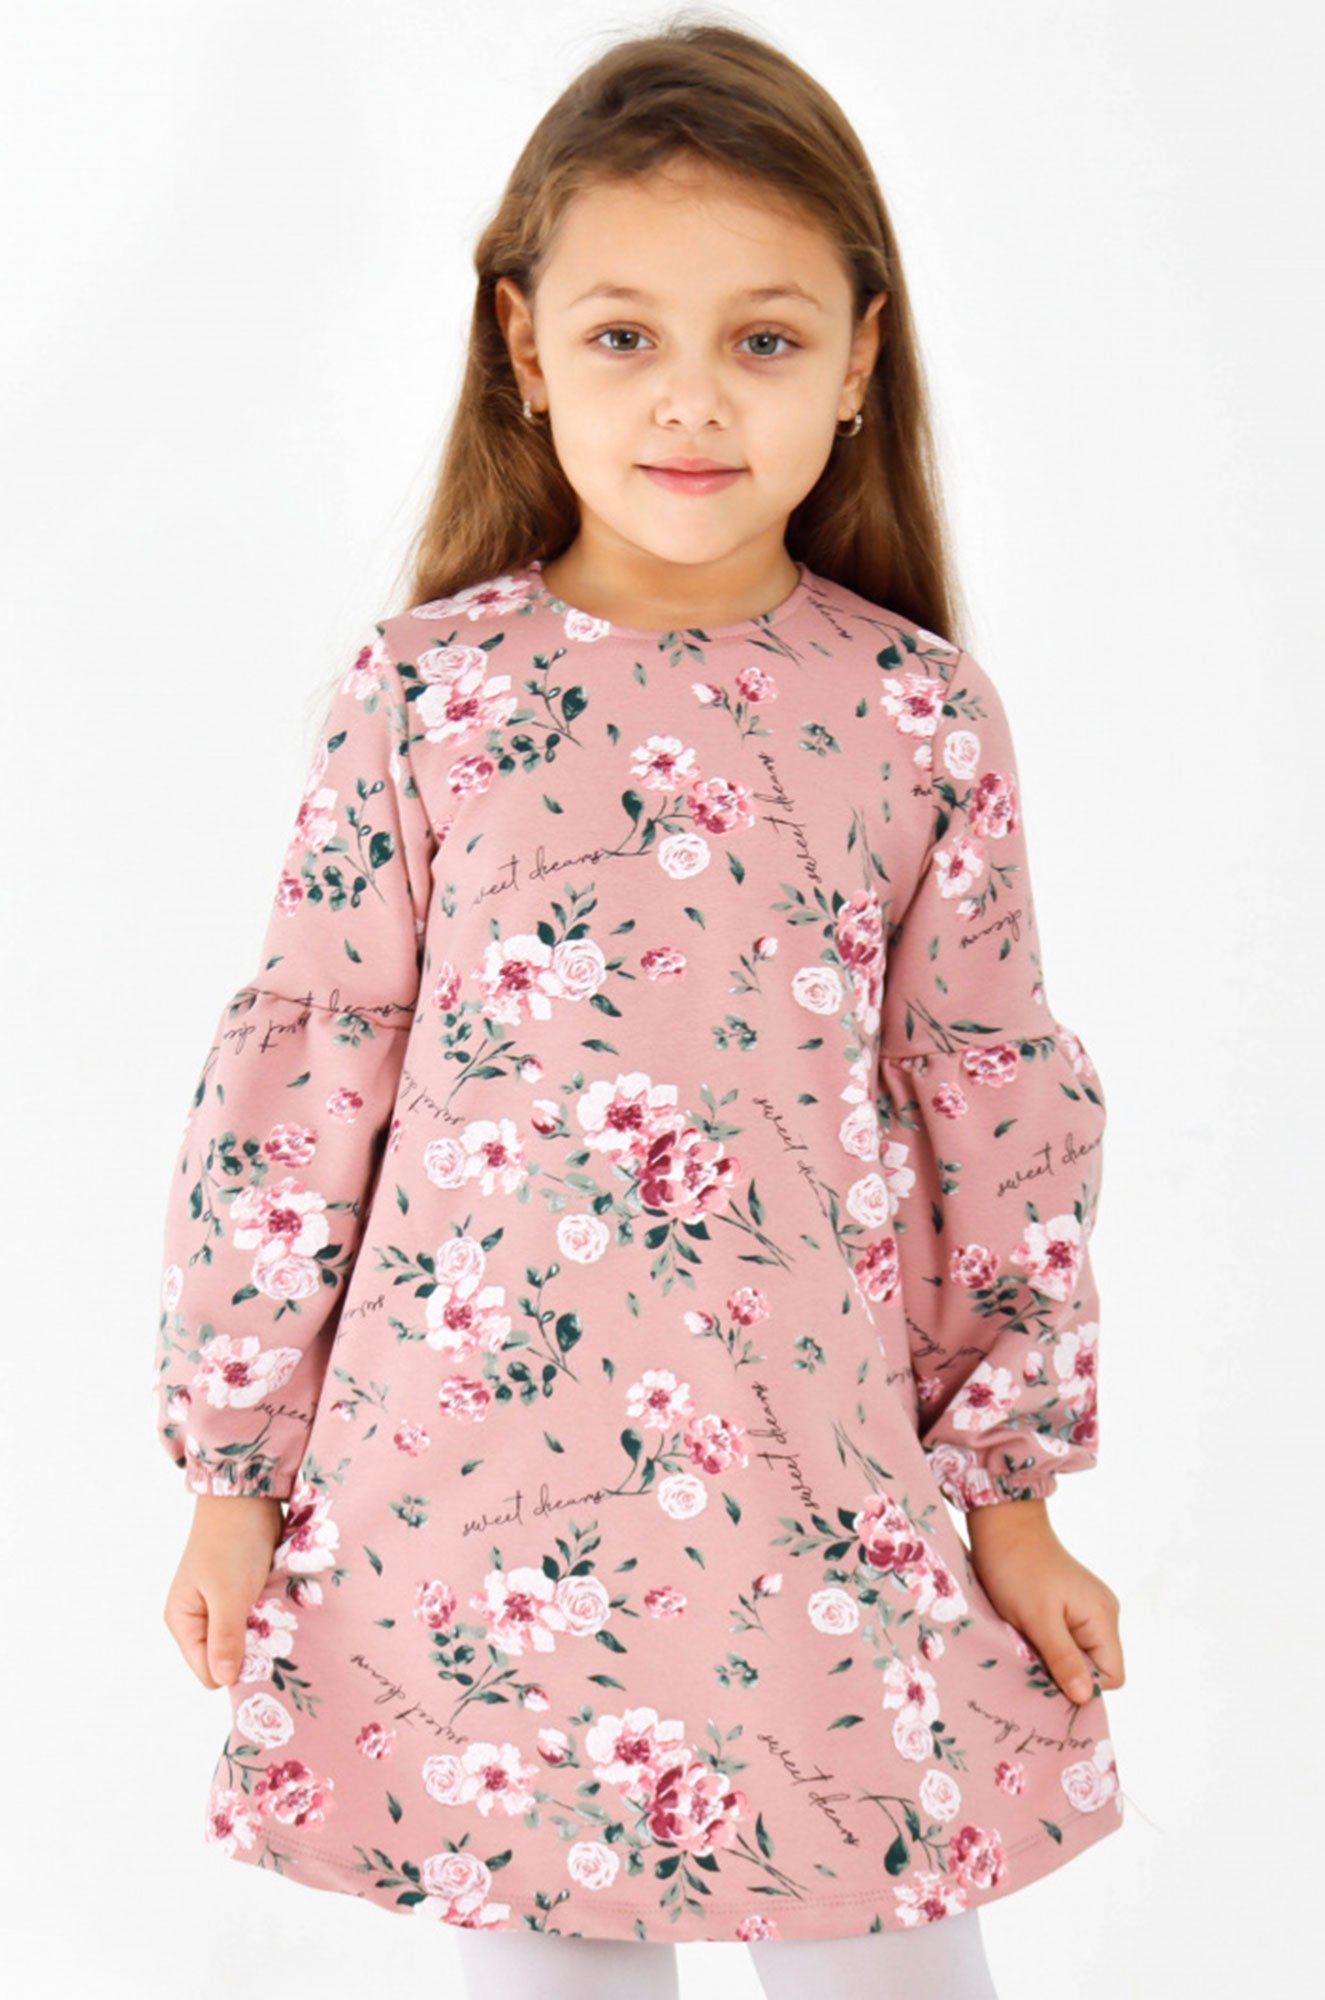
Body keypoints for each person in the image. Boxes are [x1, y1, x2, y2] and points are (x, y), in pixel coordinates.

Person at [155, 16, 1127, 1998]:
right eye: (623, 335)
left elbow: (990, 1103)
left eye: (762, 338)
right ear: (524, 347)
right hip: (474, 1508)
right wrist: (232, 1477)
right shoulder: (426, 694)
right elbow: (308, 1077)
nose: (692, 396)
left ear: (858, 357)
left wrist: (1013, 1498)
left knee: (887, 1949)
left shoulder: (915, 714)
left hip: (811, 1486)